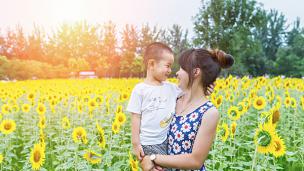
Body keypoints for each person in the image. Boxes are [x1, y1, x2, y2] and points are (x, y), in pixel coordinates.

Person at [141, 48, 234, 171]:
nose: (177, 73)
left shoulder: (209, 113)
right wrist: (146, 162)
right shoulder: (172, 100)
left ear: (195, 72)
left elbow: (195, 160)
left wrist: (153, 158)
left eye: (181, 68)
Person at [126, 42, 181, 162]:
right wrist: (136, 144)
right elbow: (135, 117)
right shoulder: (140, 90)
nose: (170, 70)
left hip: (168, 141)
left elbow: (191, 93)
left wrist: (207, 89)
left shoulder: (171, 88)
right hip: (148, 144)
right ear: (151, 64)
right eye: (167, 66)